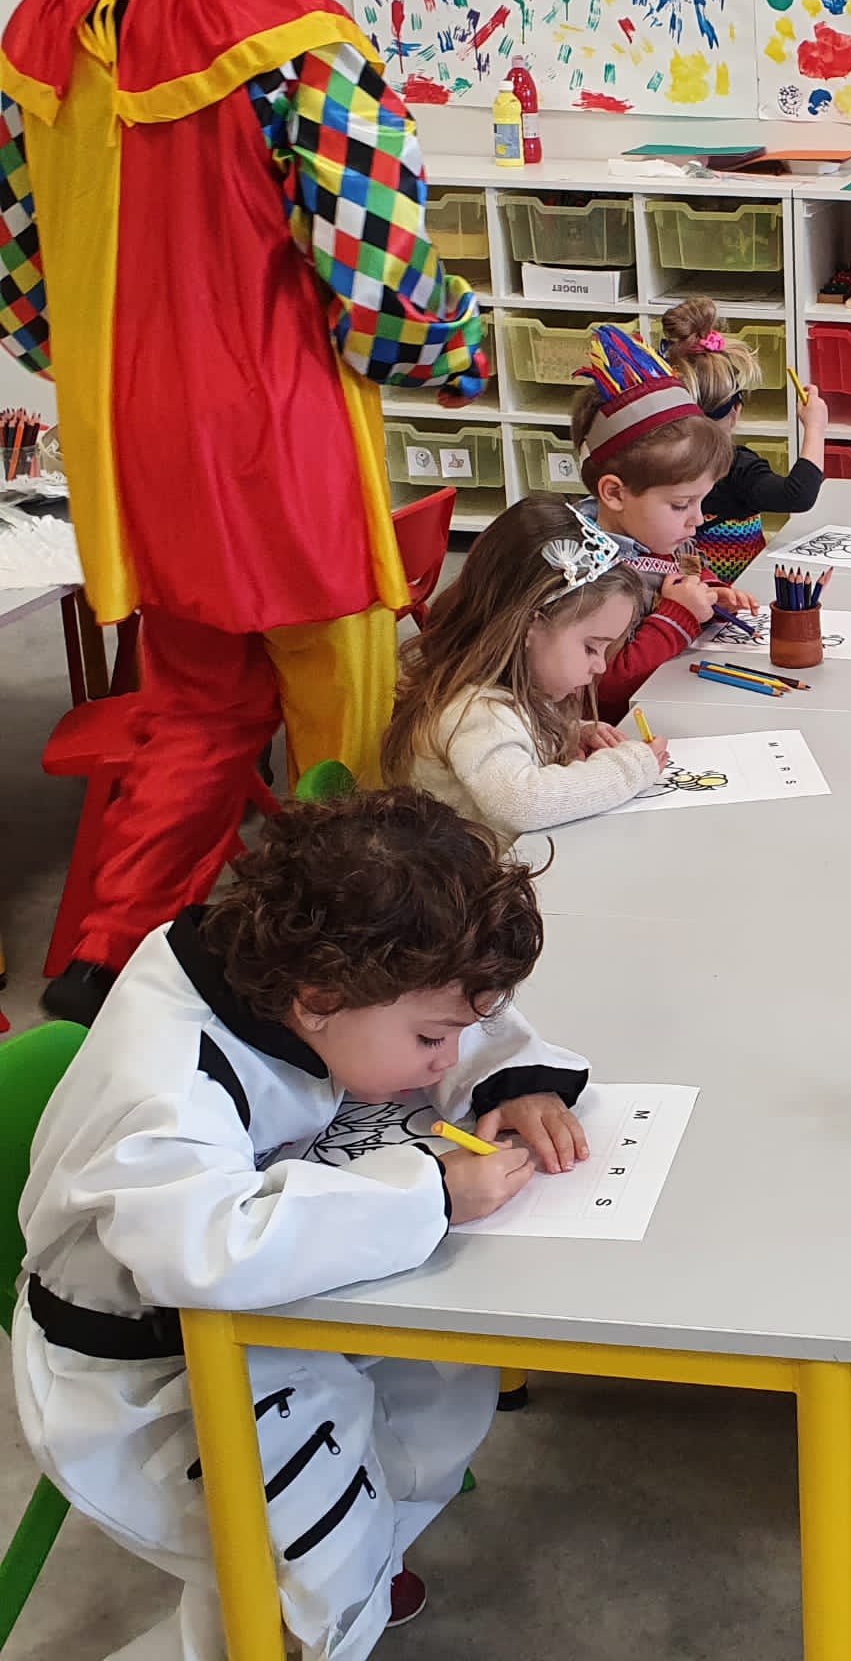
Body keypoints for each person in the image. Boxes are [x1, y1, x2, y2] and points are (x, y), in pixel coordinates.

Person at [0, 0, 488, 1025]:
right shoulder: (294, 38)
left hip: (134, 454)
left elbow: (25, 286)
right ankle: (348, 980)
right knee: (344, 730)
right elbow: (379, 283)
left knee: (192, 714)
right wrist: (457, 350)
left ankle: (100, 968)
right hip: (282, 447)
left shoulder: (44, 34)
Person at [14, 788, 590, 1660]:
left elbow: (451, 1007)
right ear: (320, 997)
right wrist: (431, 1194)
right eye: (431, 1042)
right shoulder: (166, 1078)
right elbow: (200, 1251)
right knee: (303, 1576)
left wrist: (518, 1081)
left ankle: (361, 1566)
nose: (447, 1058)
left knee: (445, 1383)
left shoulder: (321, 975)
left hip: (265, 1314)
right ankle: (308, 1613)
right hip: (148, 1367)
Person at [383, 497, 665, 836]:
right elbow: (523, 802)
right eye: (591, 647)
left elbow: (517, 738)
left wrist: (570, 733)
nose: (600, 667)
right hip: (487, 868)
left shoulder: (514, 690)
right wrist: (628, 768)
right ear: (529, 625)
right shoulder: (478, 713)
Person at [565, 324, 741, 722]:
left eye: (701, 501)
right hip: (614, 729)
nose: (698, 519)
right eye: (681, 505)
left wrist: (712, 590)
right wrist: (680, 614)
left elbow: (683, 570)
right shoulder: (588, 576)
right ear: (614, 493)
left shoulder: (660, 535)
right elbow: (605, 690)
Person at [661, 294, 828, 581]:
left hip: (678, 592)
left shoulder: (656, 462)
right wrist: (815, 427)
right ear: (736, 411)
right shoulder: (736, 467)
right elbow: (798, 495)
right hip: (739, 592)